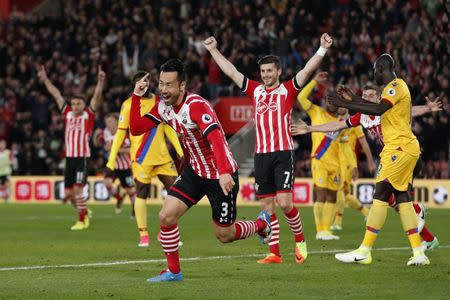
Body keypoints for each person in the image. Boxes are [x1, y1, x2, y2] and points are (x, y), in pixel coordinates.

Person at [129, 59, 272, 282]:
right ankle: (174, 272)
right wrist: (136, 96)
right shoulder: (162, 107)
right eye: (162, 84)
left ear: (182, 86)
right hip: (195, 172)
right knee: (166, 216)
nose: (164, 90)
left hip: (219, 175)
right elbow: (136, 128)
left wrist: (224, 171)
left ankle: (262, 224)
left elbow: (216, 138)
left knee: (225, 235)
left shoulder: (196, 106)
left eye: (169, 85)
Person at [203, 33, 333, 264]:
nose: (266, 75)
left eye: (270, 71)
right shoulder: (255, 90)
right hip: (261, 155)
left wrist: (322, 48)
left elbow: (306, 70)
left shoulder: (288, 90)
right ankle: (274, 253)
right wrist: (214, 51)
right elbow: (231, 72)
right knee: (267, 207)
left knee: (285, 203)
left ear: (278, 72)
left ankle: (300, 240)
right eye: (263, 72)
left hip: (282, 153)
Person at [292, 84, 442, 251]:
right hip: (392, 157)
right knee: (394, 200)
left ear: (379, 98)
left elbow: (410, 110)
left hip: (405, 154)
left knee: (391, 197)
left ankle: (412, 215)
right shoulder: (362, 116)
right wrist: (310, 129)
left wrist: (427, 109)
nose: (367, 98)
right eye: (365, 95)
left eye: (371, 95)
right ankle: (428, 238)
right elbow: (337, 126)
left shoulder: (385, 110)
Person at [326, 53, 430, 265]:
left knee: (381, 194)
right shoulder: (394, 88)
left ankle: (365, 251)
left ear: (381, 68)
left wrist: (346, 103)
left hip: (398, 148)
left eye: (375, 71)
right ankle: (419, 253)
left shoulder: (394, 86)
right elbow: (375, 109)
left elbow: (377, 109)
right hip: (405, 147)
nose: (374, 75)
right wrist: (352, 99)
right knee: (402, 197)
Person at [106, 71, 184, 247]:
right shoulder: (128, 105)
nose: (144, 83)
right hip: (141, 158)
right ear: (135, 85)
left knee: (176, 195)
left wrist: (180, 150)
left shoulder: (160, 102)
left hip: (163, 157)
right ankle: (144, 235)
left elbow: (168, 129)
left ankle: (168, 232)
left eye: (147, 80)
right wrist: (111, 161)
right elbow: (120, 134)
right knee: (141, 194)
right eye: (140, 81)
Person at [38, 65, 105, 230]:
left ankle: (82, 221)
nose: (75, 106)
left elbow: (96, 97)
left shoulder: (88, 115)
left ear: (83, 104)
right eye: (73, 103)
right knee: (69, 195)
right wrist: (45, 80)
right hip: (69, 158)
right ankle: (85, 210)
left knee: (77, 190)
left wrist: (100, 81)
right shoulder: (67, 113)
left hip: (82, 158)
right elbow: (56, 94)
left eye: (78, 103)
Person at [296, 72, 343, 240]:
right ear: (324, 101)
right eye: (329, 100)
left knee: (332, 196)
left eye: (335, 101)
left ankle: (327, 230)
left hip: (336, 164)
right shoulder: (316, 112)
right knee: (321, 194)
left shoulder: (342, 122)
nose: (331, 103)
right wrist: (314, 81)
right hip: (320, 160)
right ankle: (320, 230)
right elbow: (301, 97)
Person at [332, 106, 375, 231]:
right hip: (335, 161)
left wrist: (370, 162)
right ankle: (367, 213)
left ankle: (338, 222)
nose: (338, 106)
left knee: (339, 189)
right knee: (345, 194)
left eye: (341, 104)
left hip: (348, 162)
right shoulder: (334, 122)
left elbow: (364, 144)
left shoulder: (354, 123)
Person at [93, 113, 136, 216]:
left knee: (130, 191)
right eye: (107, 122)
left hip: (124, 167)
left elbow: (131, 150)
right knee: (107, 183)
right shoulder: (106, 132)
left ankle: (134, 210)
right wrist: (95, 135)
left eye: (111, 121)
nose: (108, 124)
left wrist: (115, 149)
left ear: (117, 122)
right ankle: (119, 198)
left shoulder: (123, 134)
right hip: (112, 165)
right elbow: (97, 144)